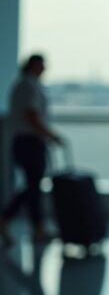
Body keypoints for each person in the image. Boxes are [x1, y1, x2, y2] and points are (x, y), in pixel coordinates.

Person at [1, 54, 62, 248]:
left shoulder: (26, 85)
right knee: (33, 186)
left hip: (26, 141)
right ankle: (10, 219)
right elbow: (32, 114)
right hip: (30, 142)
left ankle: (36, 227)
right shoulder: (28, 86)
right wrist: (50, 134)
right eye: (42, 65)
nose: (45, 69)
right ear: (34, 65)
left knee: (32, 186)